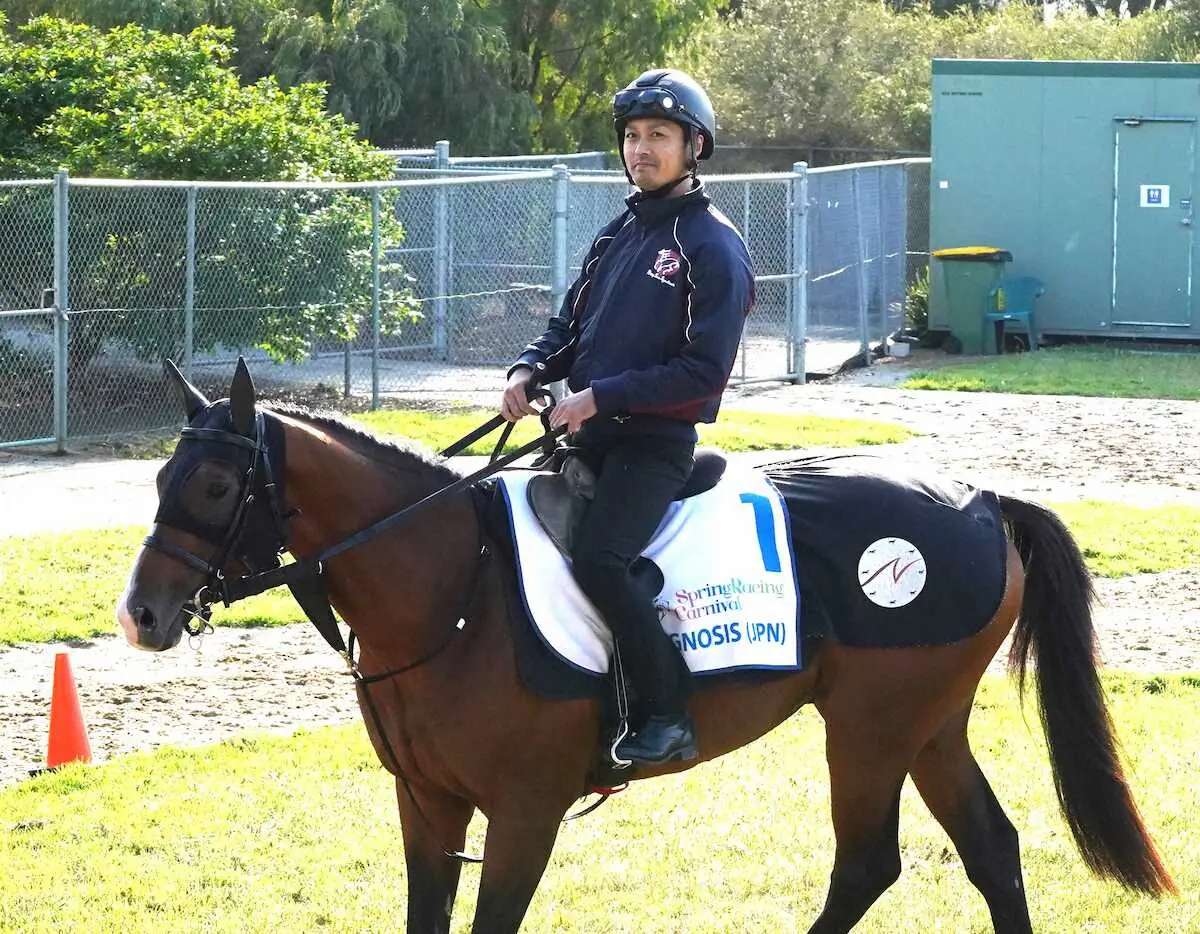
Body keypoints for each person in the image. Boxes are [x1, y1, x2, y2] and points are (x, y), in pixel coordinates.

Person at [500, 69, 755, 766]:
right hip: (585, 436)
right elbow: (568, 327)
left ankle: (667, 714)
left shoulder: (714, 246)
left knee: (601, 563)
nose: (641, 150)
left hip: (653, 448)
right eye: (633, 137)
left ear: (694, 146)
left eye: (659, 137)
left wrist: (600, 397)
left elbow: (703, 375)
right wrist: (529, 369)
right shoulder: (618, 232)